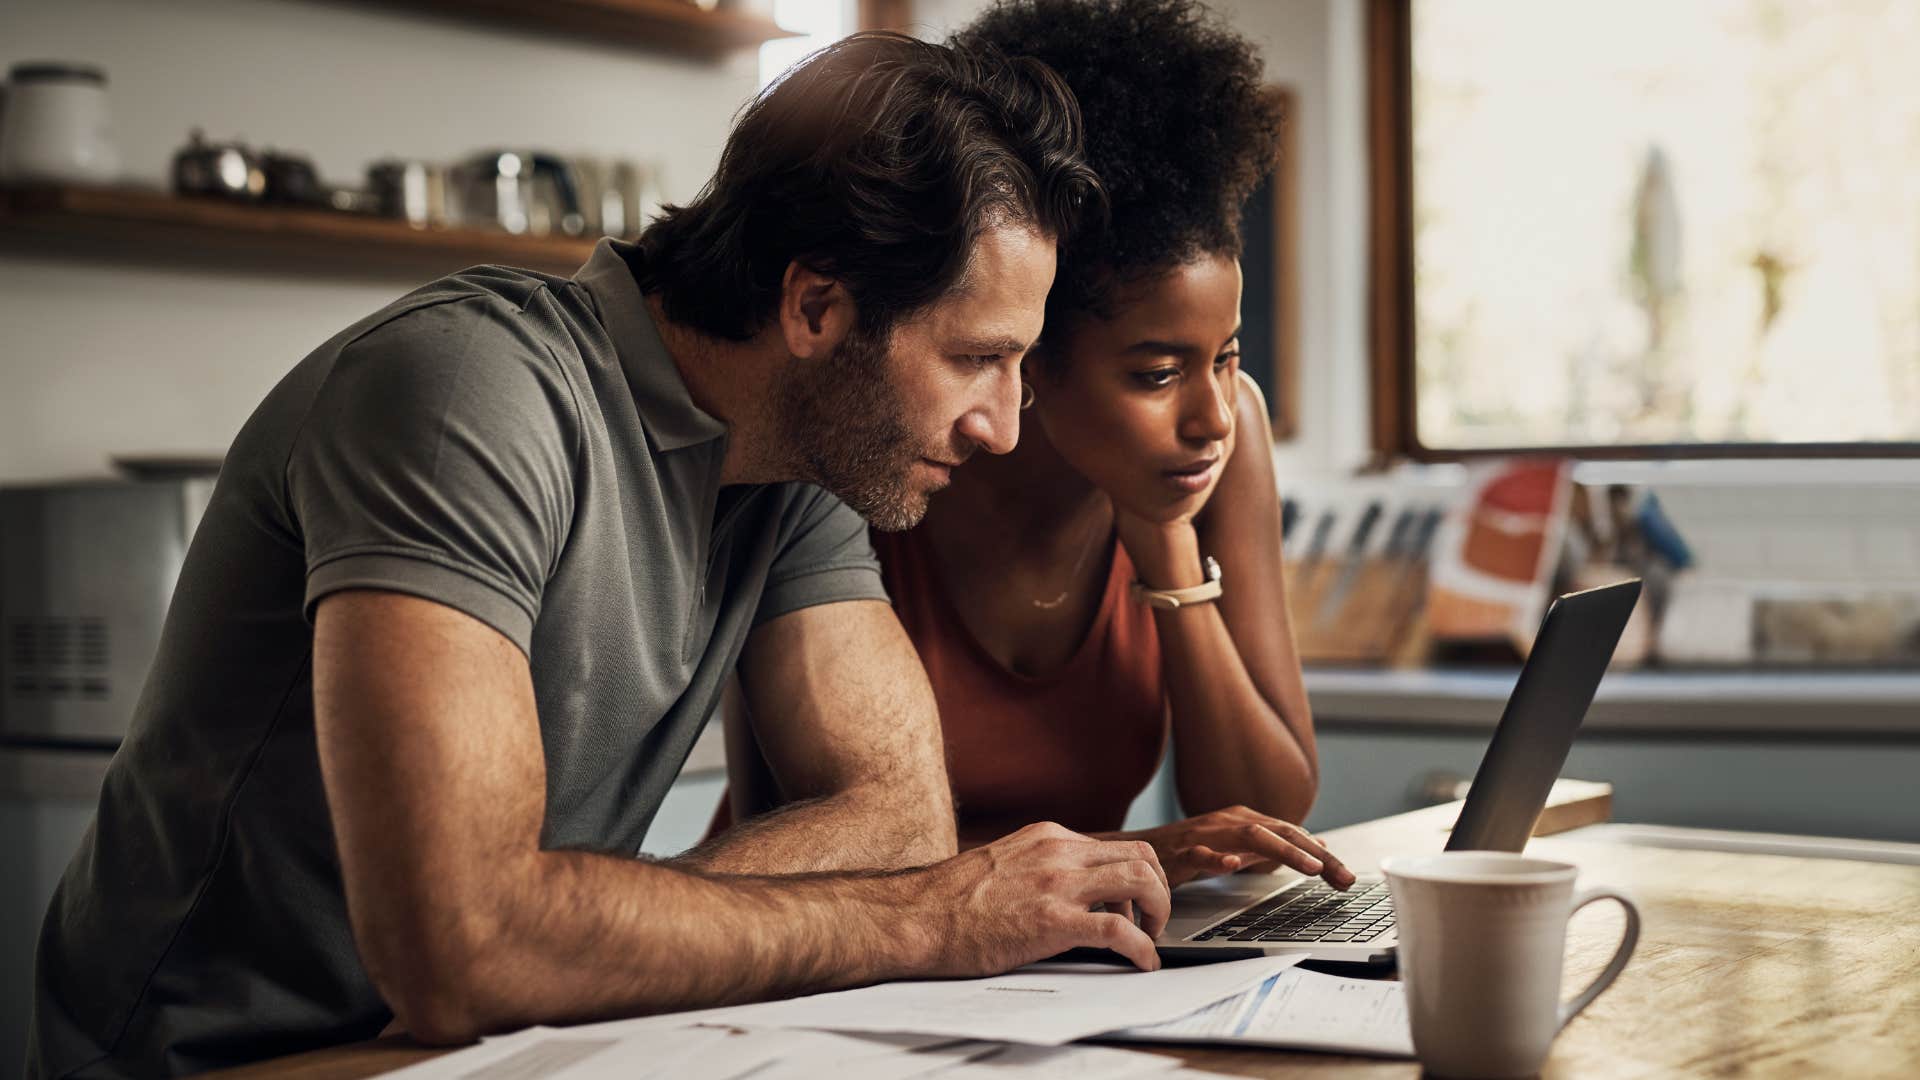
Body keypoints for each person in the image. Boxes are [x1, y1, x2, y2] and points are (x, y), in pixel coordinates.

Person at [27, 34, 1179, 1080]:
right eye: (977, 357)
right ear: (817, 307)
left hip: (488, 1040)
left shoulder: (803, 461)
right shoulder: (469, 394)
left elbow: (897, 821)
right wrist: (927, 920)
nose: (1005, 426)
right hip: (222, 1061)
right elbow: (467, 950)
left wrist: (568, 936)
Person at [714, 0, 1356, 893]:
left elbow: (1269, 812)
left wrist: (1165, 543)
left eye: (1229, 354)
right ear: (1029, 350)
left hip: (1050, 962)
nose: (1214, 414)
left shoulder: (1217, 445)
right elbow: (786, 840)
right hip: (822, 960)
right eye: (1157, 372)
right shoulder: (871, 455)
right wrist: (1124, 854)